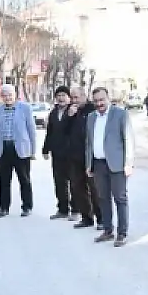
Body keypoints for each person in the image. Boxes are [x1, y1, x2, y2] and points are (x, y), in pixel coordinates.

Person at [85, 87, 134, 247]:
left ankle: (122, 233)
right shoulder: (91, 117)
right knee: (103, 198)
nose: (99, 103)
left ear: (108, 98)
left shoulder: (120, 114)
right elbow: (88, 143)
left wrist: (128, 163)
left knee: (120, 198)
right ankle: (107, 230)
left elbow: (129, 140)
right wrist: (88, 164)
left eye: (102, 99)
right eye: (96, 101)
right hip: (98, 164)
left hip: (117, 164)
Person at [0, 84, 36, 217]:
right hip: (3, 149)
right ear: (1, 97)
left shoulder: (25, 108)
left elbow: (31, 130)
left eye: (10, 94)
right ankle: (4, 208)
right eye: (4, 95)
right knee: (4, 181)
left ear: (15, 95)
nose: (7, 97)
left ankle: (27, 207)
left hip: (21, 149)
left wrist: (32, 151)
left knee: (24, 179)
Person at [67, 86, 102, 230]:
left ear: (84, 96)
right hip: (75, 156)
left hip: (90, 155)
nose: (74, 101)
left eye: (77, 97)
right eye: (72, 98)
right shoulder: (72, 111)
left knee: (95, 189)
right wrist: (69, 117)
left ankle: (101, 219)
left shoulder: (92, 110)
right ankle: (86, 217)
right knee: (78, 188)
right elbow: (64, 131)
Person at [41, 86, 74, 220]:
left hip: (71, 152)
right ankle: (62, 209)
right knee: (59, 182)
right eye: (58, 95)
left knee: (74, 182)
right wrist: (45, 149)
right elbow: (50, 132)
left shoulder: (73, 111)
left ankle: (76, 209)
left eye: (63, 95)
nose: (61, 98)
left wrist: (71, 116)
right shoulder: (53, 113)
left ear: (69, 97)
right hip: (57, 152)